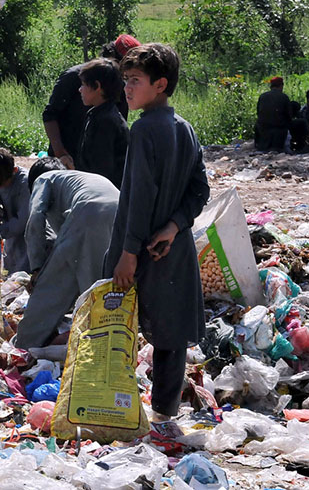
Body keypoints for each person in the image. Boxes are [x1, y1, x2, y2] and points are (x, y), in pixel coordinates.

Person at [104, 43, 210, 428]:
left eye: (135, 81)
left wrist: (129, 253)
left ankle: (111, 402)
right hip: (172, 247)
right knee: (170, 334)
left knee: (115, 324)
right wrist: (176, 224)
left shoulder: (144, 130)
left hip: (139, 248)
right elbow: (200, 190)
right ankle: (165, 412)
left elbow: (139, 198)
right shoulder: (184, 128)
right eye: (125, 81)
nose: (127, 89)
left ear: (160, 84)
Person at [14, 157, 119, 350]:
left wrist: (37, 268)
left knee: (51, 286)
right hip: (120, 216)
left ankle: (25, 344)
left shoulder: (44, 179)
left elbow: (35, 219)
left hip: (90, 212)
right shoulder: (81, 179)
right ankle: (105, 344)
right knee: (100, 288)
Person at [42, 34, 139, 169]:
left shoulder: (120, 87)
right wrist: (60, 153)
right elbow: (50, 114)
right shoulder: (73, 77)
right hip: (65, 158)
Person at [78, 58, 130, 188]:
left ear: (97, 86)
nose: (80, 89)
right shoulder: (98, 114)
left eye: (84, 84)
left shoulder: (106, 122)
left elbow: (101, 171)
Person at [0, 147, 31, 274]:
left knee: (26, 272)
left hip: (29, 234)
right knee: (11, 271)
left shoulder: (25, 183)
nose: (0, 188)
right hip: (11, 232)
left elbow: (22, 221)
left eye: (3, 185)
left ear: (14, 171)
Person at [254, 76, 291, 152]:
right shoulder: (284, 97)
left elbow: (258, 113)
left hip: (263, 132)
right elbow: (289, 116)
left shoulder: (262, 96)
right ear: (281, 85)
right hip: (279, 132)